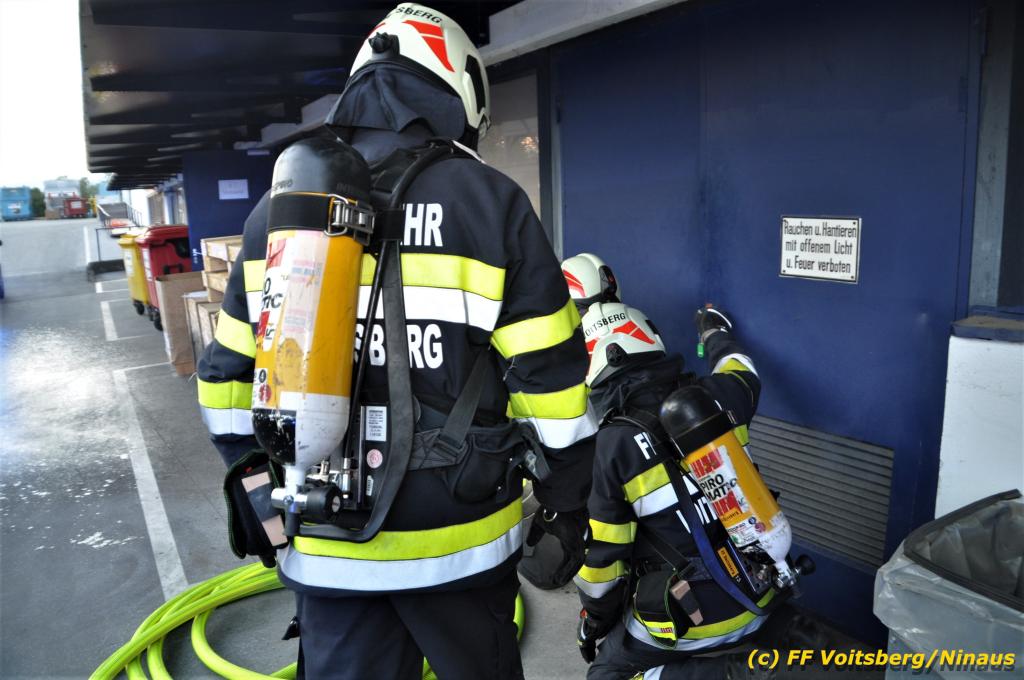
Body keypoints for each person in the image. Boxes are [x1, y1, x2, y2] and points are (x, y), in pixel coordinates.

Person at [196, 4, 596, 678]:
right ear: (459, 85)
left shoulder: (278, 213)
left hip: (325, 541)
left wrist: (253, 475)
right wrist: (569, 498)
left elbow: (226, 379)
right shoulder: (489, 201)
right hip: (459, 547)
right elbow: (551, 382)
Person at [573, 300, 784, 679]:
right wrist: (713, 330)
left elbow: (604, 562)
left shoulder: (613, 445)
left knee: (605, 674)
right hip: (763, 591)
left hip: (692, 623)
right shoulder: (721, 393)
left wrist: (593, 621)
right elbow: (740, 365)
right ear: (652, 340)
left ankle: (726, 673)